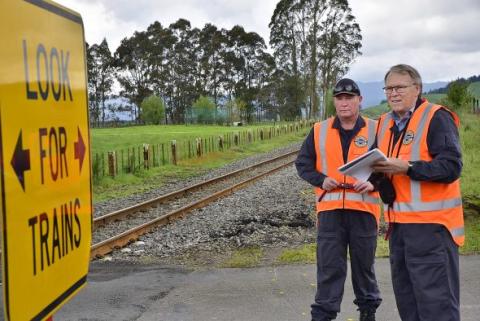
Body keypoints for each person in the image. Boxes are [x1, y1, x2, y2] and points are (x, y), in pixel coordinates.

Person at [371, 64, 464, 321]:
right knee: (408, 304)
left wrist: (408, 168)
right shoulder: (384, 123)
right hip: (399, 229)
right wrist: (374, 176)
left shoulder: (436, 117)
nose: (393, 93)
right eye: (389, 88)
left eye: (399, 87)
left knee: (437, 307)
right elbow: (380, 165)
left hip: (432, 229)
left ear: (417, 89)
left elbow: (451, 166)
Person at [296, 78, 382, 321]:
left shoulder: (377, 129)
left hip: (364, 210)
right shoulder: (319, 130)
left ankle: (368, 312)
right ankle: (323, 315)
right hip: (330, 211)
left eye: (350, 97)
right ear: (334, 101)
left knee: (364, 267)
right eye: (340, 98)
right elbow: (302, 163)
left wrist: (374, 182)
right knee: (329, 268)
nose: (344, 103)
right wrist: (321, 179)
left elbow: (387, 166)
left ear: (359, 100)